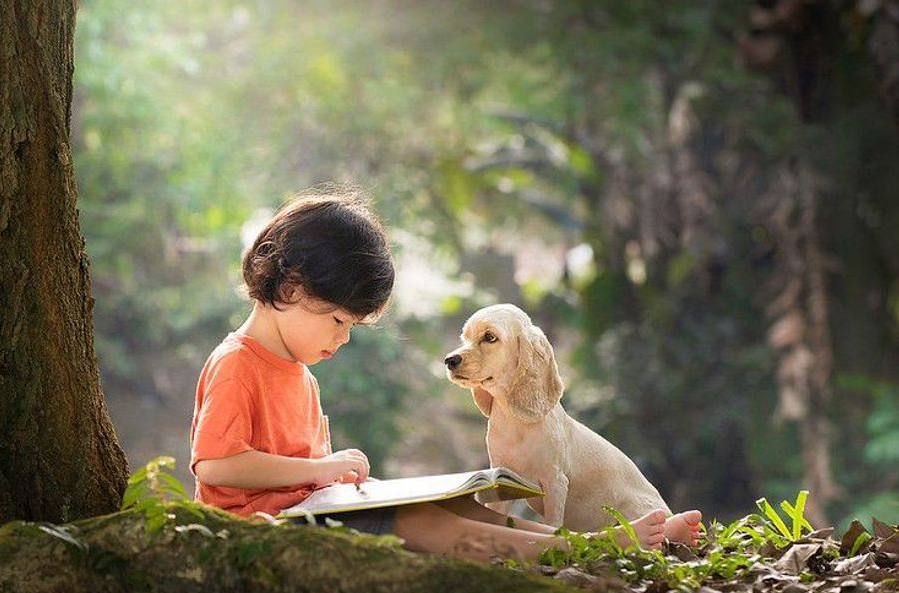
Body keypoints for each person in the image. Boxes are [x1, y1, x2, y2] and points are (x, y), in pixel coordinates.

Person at [189, 188, 701, 563]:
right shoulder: (238, 364)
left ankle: (578, 546)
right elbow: (215, 467)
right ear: (292, 286)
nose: (342, 339)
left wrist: (333, 472)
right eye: (339, 321)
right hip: (259, 535)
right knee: (419, 521)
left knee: (464, 507)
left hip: (315, 511)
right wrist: (319, 472)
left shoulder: (301, 375)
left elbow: (306, 473)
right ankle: (566, 557)